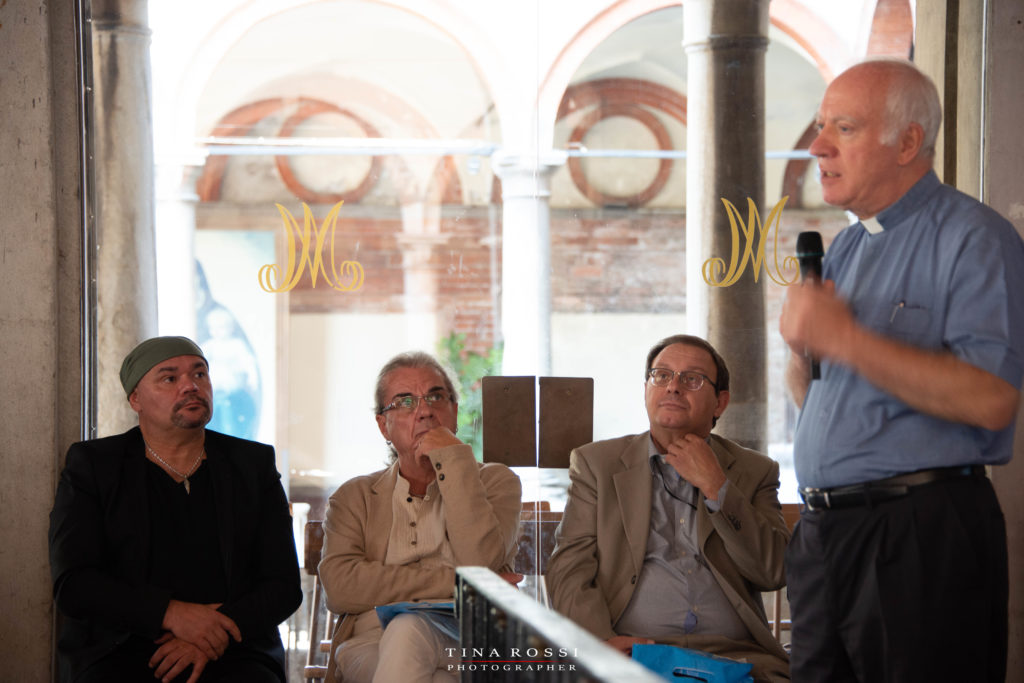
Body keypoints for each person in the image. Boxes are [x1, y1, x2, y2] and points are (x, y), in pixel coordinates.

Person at [779, 57, 1024, 683]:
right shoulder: (851, 244)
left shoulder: (974, 237)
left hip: (917, 535)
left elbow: (993, 399)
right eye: (819, 125)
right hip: (825, 534)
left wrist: (847, 339)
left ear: (908, 142)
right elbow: (833, 395)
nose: (819, 146)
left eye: (845, 127)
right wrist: (801, 350)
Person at [48, 336, 303, 683]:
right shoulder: (95, 466)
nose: (190, 386)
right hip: (122, 647)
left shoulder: (252, 464)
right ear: (135, 398)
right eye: (170, 378)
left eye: (200, 374)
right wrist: (171, 614)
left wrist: (211, 635)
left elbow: (283, 584)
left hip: (232, 646)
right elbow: (74, 585)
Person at [546, 335, 790, 682]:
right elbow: (569, 568)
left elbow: (773, 571)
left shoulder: (755, 471)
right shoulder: (597, 464)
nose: (673, 387)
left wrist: (716, 486)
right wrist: (600, 642)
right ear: (646, 388)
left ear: (720, 402)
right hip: (633, 652)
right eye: (661, 375)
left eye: (692, 379)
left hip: (736, 658)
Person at [318, 351, 522, 682]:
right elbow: (341, 588)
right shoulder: (354, 496)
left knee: (410, 631)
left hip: (470, 643)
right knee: (415, 644)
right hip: (372, 641)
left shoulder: (496, 482)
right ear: (383, 424)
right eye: (405, 401)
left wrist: (453, 458)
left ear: (454, 411)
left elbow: (480, 563)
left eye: (436, 397)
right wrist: (456, 583)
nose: (425, 411)